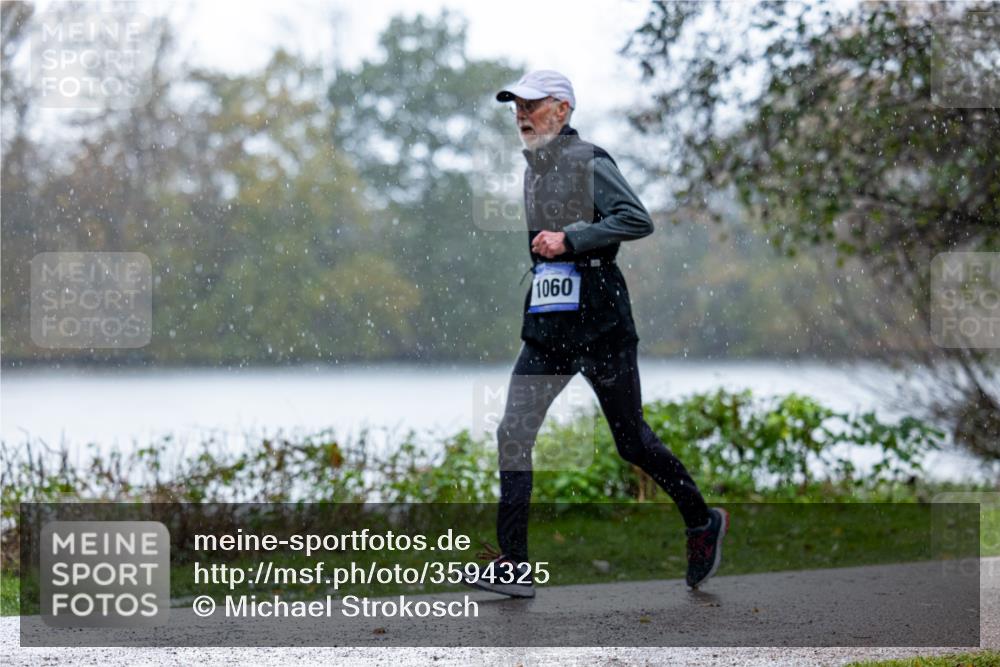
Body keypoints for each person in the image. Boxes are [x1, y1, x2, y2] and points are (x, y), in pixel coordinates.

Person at [463, 70, 728, 599]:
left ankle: (702, 522)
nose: (521, 113)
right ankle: (513, 565)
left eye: (532, 104)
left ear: (562, 109)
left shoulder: (589, 160)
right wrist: (548, 261)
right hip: (548, 326)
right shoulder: (532, 167)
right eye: (516, 105)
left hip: (601, 324)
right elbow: (544, 247)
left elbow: (636, 219)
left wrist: (572, 239)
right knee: (513, 434)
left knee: (631, 441)